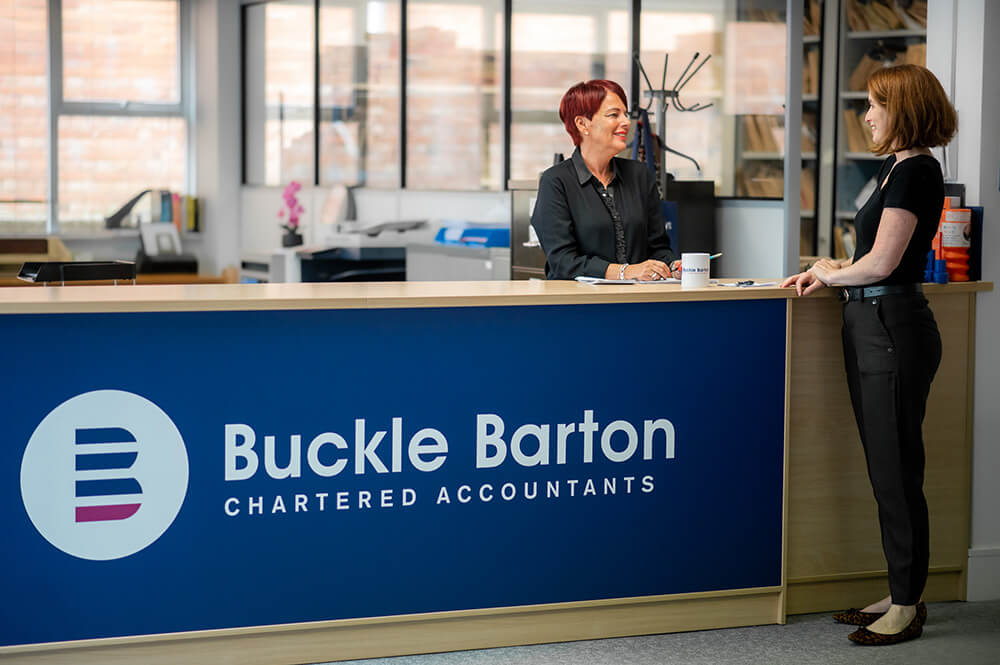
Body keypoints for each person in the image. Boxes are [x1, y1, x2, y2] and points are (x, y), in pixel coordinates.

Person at [782, 64, 957, 646]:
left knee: (897, 469)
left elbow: (885, 266)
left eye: (875, 104)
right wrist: (831, 269)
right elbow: (870, 257)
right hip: (869, 320)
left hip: (892, 326)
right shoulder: (892, 169)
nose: (866, 115)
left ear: (903, 108)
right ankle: (901, 588)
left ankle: (907, 605)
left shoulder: (919, 173)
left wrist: (836, 277)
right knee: (885, 468)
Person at [530, 79, 680, 281]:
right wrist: (625, 272)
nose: (626, 122)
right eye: (614, 115)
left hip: (638, 301)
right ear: (582, 123)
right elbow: (563, 261)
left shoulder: (640, 175)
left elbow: (658, 247)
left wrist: (672, 265)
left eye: (625, 114)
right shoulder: (556, 181)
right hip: (579, 305)